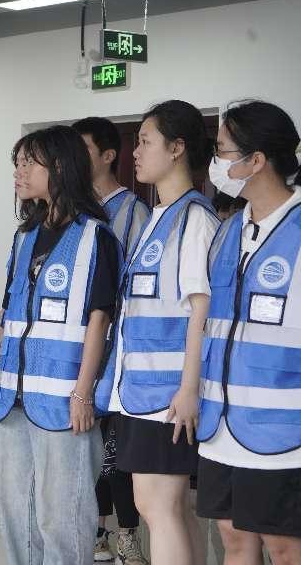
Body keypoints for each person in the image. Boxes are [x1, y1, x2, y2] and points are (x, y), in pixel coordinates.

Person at [0, 125, 121, 565]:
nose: (19, 172)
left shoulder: (96, 238)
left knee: (62, 515)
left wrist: (83, 393)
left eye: (29, 162)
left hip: (64, 401)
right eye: (17, 163)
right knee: (14, 510)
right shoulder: (25, 236)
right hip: (16, 397)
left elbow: (99, 320)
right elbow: (14, 308)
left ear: (60, 166)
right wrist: (0, 346)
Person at [103, 100, 219, 565]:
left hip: (169, 395)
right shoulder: (161, 215)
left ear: (177, 148)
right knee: (169, 508)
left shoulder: (194, 220)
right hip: (144, 390)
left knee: (157, 506)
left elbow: (201, 310)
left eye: (145, 141)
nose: (135, 151)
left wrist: (189, 389)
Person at [197, 100, 301, 565]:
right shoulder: (229, 230)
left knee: (284, 545)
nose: (215, 162)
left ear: (256, 160)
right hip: (221, 420)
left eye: (221, 150)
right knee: (233, 536)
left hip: (282, 428)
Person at [72, 116, 150, 565]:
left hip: (118, 348)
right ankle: (97, 530)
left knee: (117, 451)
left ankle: (128, 534)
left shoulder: (133, 212)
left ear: (107, 155)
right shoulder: (74, 210)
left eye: (82, 150)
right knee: (89, 447)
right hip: (79, 348)